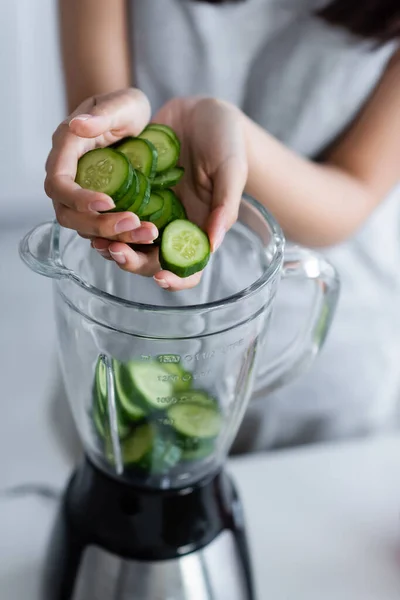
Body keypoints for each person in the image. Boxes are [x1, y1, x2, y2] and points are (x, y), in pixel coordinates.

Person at [45, 0, 400, 451]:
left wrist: (239, 141)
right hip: (132, 332)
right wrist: (106, 134)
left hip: (320, 367)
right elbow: (103, 132)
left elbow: (357, 189)